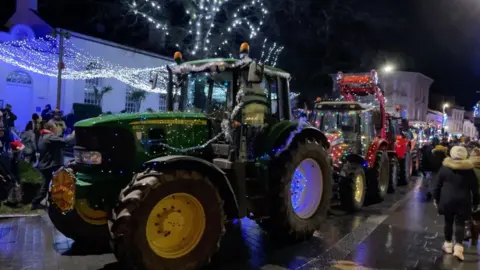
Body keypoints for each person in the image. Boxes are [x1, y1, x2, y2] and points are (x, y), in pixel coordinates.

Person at [433, 145, 479, 261]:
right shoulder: (469, 170)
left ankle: (448, 245)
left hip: (447, 200)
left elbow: (437, 186)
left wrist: (436, 199)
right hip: (463, 200)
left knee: (448, 221)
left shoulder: (445, 168)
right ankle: (458, 247)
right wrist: (476, 202)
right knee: (460, 223)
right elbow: (475, 189)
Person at [31, 122, 75, 210]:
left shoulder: (43, 136)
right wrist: (74, 134)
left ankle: (46, 202)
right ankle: (35, 202)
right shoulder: (49, 137)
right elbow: (66, 141)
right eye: (55, 128)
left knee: (50, 185)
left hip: (46, 165)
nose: (57, 129)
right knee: (47, 187)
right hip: (49, 166)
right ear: (51, 129)